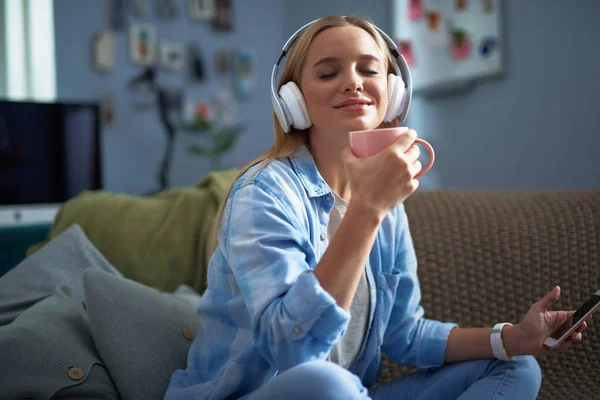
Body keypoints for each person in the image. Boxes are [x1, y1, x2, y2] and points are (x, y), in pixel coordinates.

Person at [165, 15, 589, 400]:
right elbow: (291, 347)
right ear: (293, 99)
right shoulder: (263, 194)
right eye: (329, 72)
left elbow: (404, 333)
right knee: (326, 382)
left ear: (393, 92)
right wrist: (366, 210)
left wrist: (511, 338)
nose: (353, 82)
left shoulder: (386, 202)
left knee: (515, 369)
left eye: (369, 70)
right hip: (268, 393)